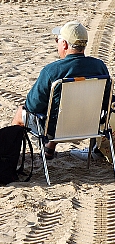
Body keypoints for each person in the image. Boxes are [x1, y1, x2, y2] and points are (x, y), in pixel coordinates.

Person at [12, 21, 110, 160]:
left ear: (64, 44)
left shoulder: (52, 71)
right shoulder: (99, 67)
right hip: (91, 128)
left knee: (21, 114)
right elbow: (106, 102)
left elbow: (32, 106)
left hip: (56, 130)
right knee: (67, 109)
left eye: (57, 40)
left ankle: (10, 159)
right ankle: (49, 150)